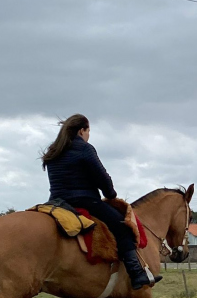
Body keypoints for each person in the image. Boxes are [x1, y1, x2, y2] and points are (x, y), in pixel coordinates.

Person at [42, 114, 159, 289]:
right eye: (88, 131)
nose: (88, 135)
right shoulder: (85, 149)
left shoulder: (54, 150)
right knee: (122, 226)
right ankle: (136, 274)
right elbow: (102, 177)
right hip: (84, 201)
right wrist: (110, 193)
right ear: (82, 130)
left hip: (56, 202)